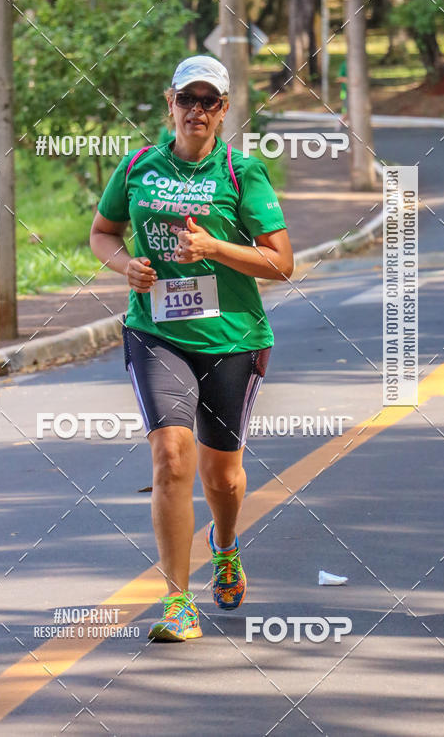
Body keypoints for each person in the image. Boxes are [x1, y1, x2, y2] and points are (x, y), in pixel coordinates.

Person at [89, 56, 293, 642]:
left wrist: (214, 247)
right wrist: (127, 265)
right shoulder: (137, 167)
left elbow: (281, 263)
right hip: (157, 333)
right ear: (170, 103)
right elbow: (103, 232)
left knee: (221, 476)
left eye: (210, 102)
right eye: (188, 99)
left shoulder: (241, 173)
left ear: (224, 110)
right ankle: (178, 600)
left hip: (232, 338)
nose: (197, 111)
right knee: (171, 459)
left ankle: (224, 546)